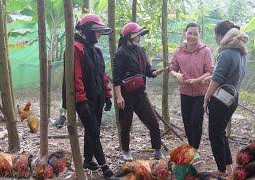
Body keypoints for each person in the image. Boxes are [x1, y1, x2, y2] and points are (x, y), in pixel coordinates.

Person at [62, 13, 114, 178]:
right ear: (88, 30)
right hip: (84, 100)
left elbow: (102, 76)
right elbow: (75, 77)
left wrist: (107, 95)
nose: (99, 34)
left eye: (100, 31)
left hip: (97, 99)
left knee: (92, 130)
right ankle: (105, 167)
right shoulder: (76, 48)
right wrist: (81, 101)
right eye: (97, 31)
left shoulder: (96, 51)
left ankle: (87, 160)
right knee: (94, 131)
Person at [112, 22, 164, 161]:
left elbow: (147, 70)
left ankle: (157, 149)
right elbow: (116, 78)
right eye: (136, 35)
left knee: (153, 122)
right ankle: (126, 150)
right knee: (126, 124)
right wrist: (119, 97)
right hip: (126, 95)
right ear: (129, 37)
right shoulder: (120, 53)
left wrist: (154, 72)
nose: (139, 37)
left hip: (140, 94)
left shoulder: (141, 51)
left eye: (139, 35)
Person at [203, 20, 248, 178]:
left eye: (217, 36)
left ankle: (221, 170)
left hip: (220, 100)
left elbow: (217, 79)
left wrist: (206, 98)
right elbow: (229, 76)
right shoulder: (241, 54)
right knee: (221, 133)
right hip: (232, 99)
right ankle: (228, 167)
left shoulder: (226, 53)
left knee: (214, 134)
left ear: (222, 36)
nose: (216, 39)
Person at [170, 23, 213, 152]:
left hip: (201, 92)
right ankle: (191, 148)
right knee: (187, 122)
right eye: (190, 33)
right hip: (185, 92)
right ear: (185, 33)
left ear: (199, 35)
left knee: (196, 121)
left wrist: (197, 80)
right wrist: (177, 74)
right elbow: (172, 69)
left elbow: (210, 71)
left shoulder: (205, 51)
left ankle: (195, 149)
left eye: (195, 33)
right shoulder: (178, 51)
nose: (192, 36)